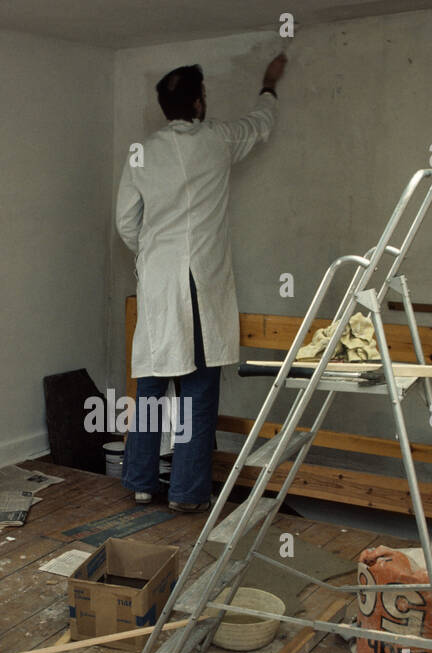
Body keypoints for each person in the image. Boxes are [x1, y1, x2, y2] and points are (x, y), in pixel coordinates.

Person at [116, 53, 288, 513]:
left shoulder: (141, 153)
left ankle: (139, 482)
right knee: (196, 392)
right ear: (197, 102)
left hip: (158, 282)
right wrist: (269, 85)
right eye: (204, 95)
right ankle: (188, 495)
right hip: (201, 284)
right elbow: (259, 124)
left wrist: (153, 253)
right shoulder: (217, 140)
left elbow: (125, 221)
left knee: (150, 385)